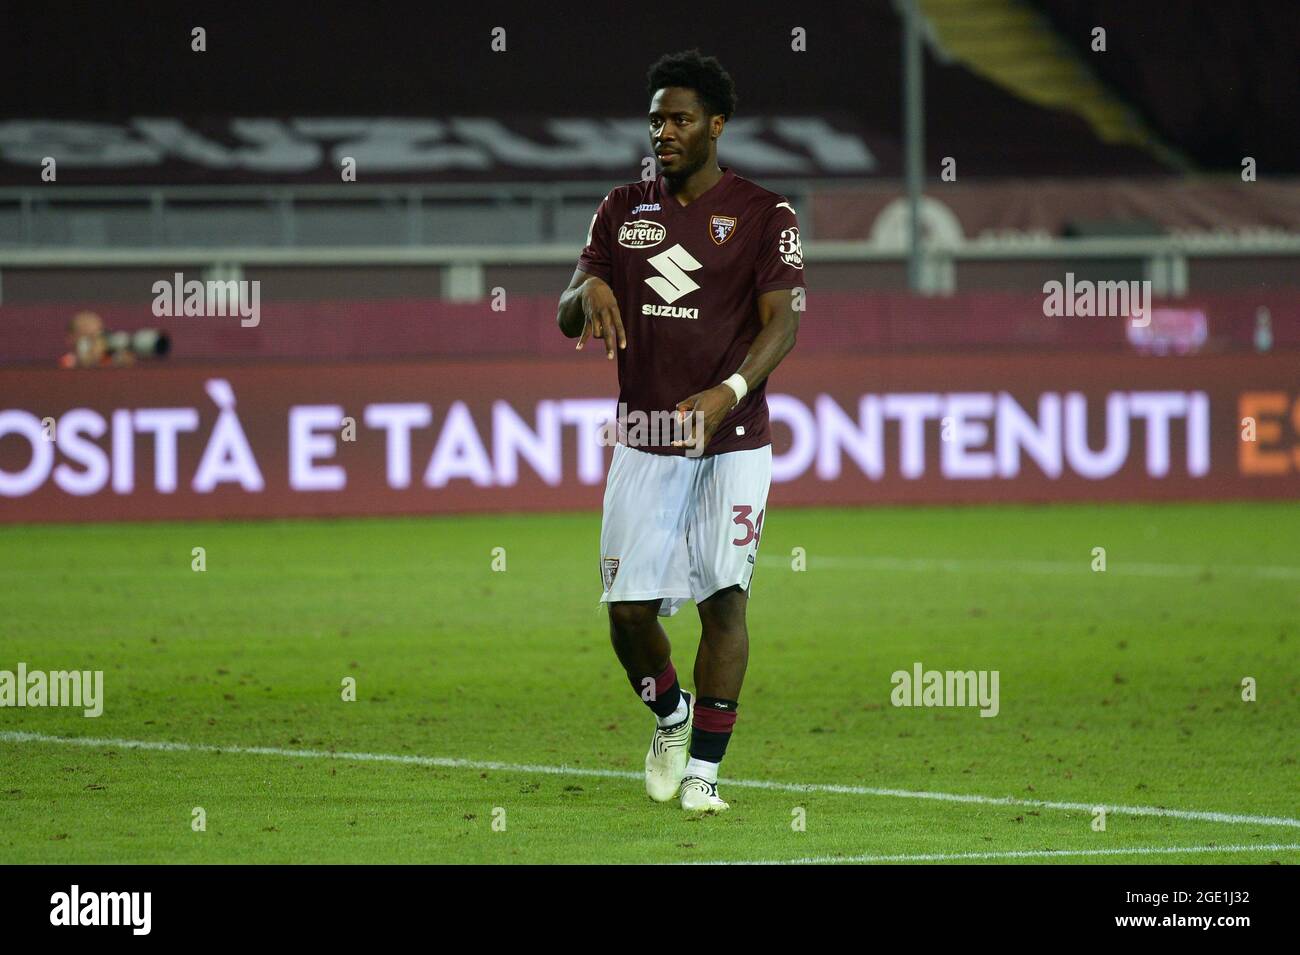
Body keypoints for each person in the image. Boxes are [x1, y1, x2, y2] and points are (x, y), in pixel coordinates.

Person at [555, 49, 804, 812]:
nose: (664, 130)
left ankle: (705, 770)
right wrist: (587, 285)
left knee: (725, 598)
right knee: (626, 613)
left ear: (715, 126)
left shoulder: (766, 214)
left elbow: (784, 322)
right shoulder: (620, 208)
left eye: (680, 118)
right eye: (657, 118)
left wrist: (728, 391)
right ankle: (670, 714)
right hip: (644, 436)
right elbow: (567, 314)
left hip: (732, 440)